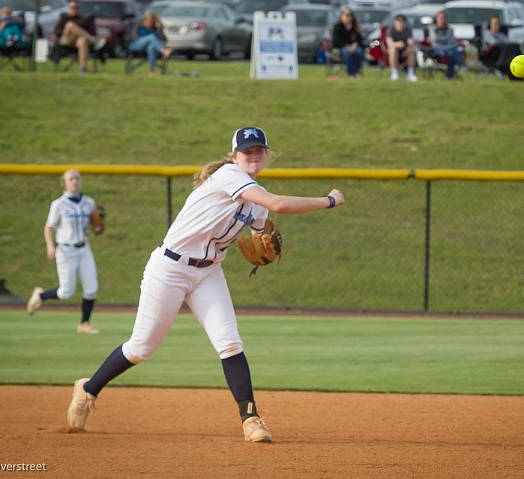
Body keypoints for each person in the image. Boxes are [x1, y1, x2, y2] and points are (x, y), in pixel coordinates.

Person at [64, 127, 345, 442]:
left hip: (208, 273)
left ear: (266, 154)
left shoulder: (256, 199)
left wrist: (262, 240)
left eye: (258, 150)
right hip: (169, 269)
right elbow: (278, 204)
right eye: (246, 151)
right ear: (234, 156)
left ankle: (251, 419)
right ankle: (88, 389)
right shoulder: (227, 175)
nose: (253, 155)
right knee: (141, 348)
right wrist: (329, 201)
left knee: (230, 343)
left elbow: (262, 224)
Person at [27, 169, 102, 335]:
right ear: (64, 183)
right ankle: (41, 295)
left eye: (77, 178)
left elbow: (96, 226)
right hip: (65, 251)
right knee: (66, 292)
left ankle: (84, 324)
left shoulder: (89, 202)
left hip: (84, 249)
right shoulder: (58, 204)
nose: (74, 181)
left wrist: (99, 224)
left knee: (91, 288)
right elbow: (49, 227)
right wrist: (50, 246)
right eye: (71, 179)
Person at [52, 0, 106, 74]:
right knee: (70, 25)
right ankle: (94, 40)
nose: (74, 9)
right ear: (68, 8)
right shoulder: (64, 18)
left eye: (76, 7)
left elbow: (91, 30)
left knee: (82, 40)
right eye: (72, 7)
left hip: (77, 43)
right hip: (65, 41)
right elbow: (56, 32)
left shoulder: (82, 19)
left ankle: (83, 69)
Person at [128, 11, 172, 77]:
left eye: (151, 21)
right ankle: (164, 51)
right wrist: (147, 39)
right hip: (136, 45)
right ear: (145, 19)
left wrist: (159, 28)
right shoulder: (138, 24)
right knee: (151, 37)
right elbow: (134, 37)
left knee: (151, 47)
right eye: (148, 21)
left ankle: (150, 71)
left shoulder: (155, 27)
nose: (150, 23)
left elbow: (164, 40)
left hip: (148, 47)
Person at [479, 16, 523, 80]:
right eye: (494, 23)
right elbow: (494, 43)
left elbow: (508, 42)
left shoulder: (501, 35)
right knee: (507, 48)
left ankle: (517, 69)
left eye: (498, 24)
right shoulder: (487, 33)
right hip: (491, 55)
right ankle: (504, 66)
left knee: (515, 46)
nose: (496, 25)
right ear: (490, 24)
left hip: (503, 55)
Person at [331, 7, 364, 78]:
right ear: (342, 16)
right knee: (347, 52)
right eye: (347, 15)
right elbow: (336, 40)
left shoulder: (355, 27)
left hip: (354, 48)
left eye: (351, 15)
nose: (349, 17)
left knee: (359, 51)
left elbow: (360, 40)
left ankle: (357, 72)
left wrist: (356, 44)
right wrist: (347, 46)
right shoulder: (337, 26)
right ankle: (352, 73)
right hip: (341, 48)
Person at [431, 11, 464, 80]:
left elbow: (453, 41)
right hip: (437, 51)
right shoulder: (432, 29)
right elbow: (434, 41)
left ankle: (452, 75)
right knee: (451, 52)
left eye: (443, 18)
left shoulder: (450, 29)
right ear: (436, 19)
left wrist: (444, 41)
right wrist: (445, 41)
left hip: (449, 50)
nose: (442, 20)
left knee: (455, 51)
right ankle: (461, 67)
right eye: (440, 18)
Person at [386, 14, 418, 82]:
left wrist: (409, 45)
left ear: (404, 22)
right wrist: (397, 44)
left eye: (401, 21)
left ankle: (410, 73)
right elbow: (389, 43)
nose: (400, 23)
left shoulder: (408, 29)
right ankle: (394, 73)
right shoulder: (391, 29)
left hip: (405, 51)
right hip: (394, 52)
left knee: (411, 50)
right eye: (398, 21)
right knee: (393, 50)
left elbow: (410, 41)